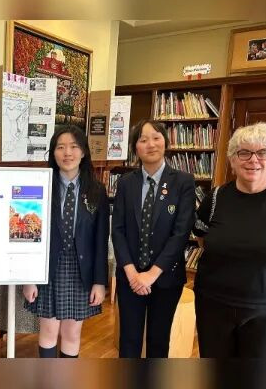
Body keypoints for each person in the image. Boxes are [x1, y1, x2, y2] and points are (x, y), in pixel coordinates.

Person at [193, 122, 266, 357]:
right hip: (214, 305)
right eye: (244, 152)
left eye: (262, 152)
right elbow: (203, 240)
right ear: (233, 159)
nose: (253, 160)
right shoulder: (215, 197)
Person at [111, 119, 195, 358]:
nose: (151, 144)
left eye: (156, 138)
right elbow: (118, 230)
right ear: (135, 147)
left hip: (166, 278)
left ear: (165, 142)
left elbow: (181, 233)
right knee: (128, 340)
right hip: (130, 278)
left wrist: (151, 274)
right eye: (143, 139)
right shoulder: (126, 183)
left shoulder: (183, 182)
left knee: (159, 341)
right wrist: (132, 274)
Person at [23, 125, 109, 358]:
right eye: (60, 147)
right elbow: (30, 236)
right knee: (48, 331)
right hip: (48, 269)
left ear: (83, 152)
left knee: (72, 333)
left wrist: (99, 282)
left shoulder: (97, 191)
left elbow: (101, 241)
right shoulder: (40, 186)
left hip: (81, 270)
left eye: (74, 146)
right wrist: (29, 278)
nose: (67, 153)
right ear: (53, 153)